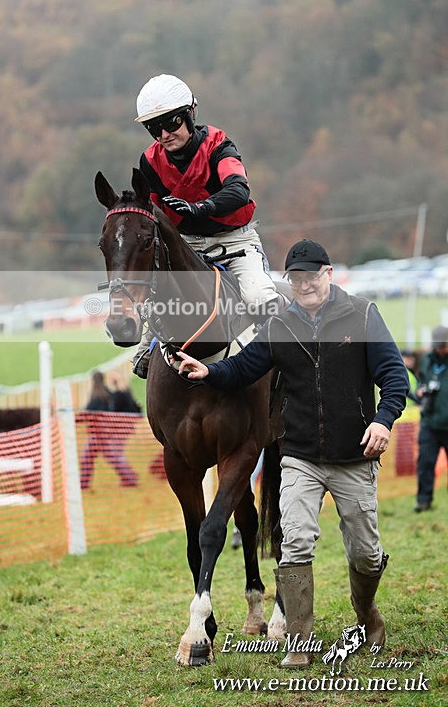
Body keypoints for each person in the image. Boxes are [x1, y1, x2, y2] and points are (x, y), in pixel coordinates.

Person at [175, 239, 409, 668]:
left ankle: (366, 611)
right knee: (295, 543)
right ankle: (299, 641)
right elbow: (244, 368)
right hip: (300, 456)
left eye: (311, 276)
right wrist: (209, 370)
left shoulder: (363, 315)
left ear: (329, 273)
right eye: (296, 278)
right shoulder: (280, 325)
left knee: (365, 553)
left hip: (353, 455)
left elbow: (395, 378)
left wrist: (383, 419)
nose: (304, 285)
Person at [131, 73, 281, 378]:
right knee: (154, 300)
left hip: (235, 243)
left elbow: (239, 190)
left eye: (171, 123)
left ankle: (291, 371)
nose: (163, 134)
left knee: (260, 299)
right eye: (153, 128)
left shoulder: (218, 145)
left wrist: (200, 208)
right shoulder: (149, 162)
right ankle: (148, 347)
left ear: (189, 115)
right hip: (186, 246)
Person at [80, 371, 140, 489]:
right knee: (112, 456)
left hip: (101, 433)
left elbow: (87, 413)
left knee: (106, 456)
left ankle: (83, 483)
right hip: (108, 432)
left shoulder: (98, 397)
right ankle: (130, 477)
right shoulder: (110, 394)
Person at [414, 326, 448, 512]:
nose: (440, 349)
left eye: (443, 345)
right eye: (438, 346)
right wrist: (421, 389)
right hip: (429, 423)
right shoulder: (427, 360)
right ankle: (423, 501)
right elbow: (422, 380)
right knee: (425, 462)